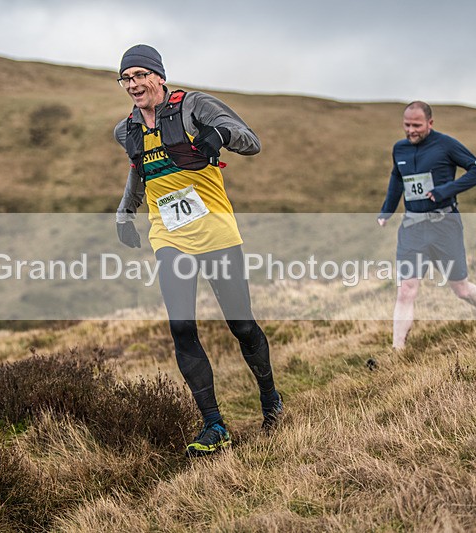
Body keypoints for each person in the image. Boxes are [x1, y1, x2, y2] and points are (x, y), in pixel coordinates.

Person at [113, 44, 282, 456]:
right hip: (169, 237)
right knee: (182, 327)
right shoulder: (127, 129)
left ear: (159, 76)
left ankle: (270, 399)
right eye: (125, 78)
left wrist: (219, 134)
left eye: (139, 75)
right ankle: (214, 425)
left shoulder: (194, 105)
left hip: (216, 233)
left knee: (240, 325)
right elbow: (140, 170)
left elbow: (251, 142)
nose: (133, 84)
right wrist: (124, 214)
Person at [377, 101, 476, 351]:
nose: (411, 130)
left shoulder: (446, 145)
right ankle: (397, 351)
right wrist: (387, 210)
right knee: (406, 291)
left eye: (417, 125)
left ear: (430, 123)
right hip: (412, 228)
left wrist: (445, 190)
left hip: (445, 225)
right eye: (407, 125)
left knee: (461, 289)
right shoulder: (399, 149)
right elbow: (396, 178)